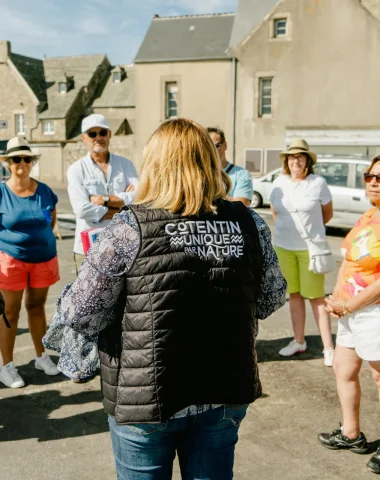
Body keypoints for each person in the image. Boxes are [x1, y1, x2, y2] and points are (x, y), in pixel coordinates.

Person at [44, 118, 287, 479]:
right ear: (209, 161)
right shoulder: (249, 222)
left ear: (155, 164)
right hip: (224, 383)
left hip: (147, 395)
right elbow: (270, 298)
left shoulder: (130, 227)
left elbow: (81, 313)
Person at [318, 155, 380, 475]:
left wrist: (351, 305)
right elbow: (349, 260)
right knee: (343, 368)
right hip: (350, 312)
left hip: (374, 311)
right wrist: (337, 296)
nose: (373, 182)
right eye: (370, 176)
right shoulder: (368, 215)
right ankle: (351, 434)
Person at [0, 136, 60, 389]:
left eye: (26, 158)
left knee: (37, 308)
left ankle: (40, 356)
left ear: (32, 162)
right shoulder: (1, 192)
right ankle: (7, 366)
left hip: (43, 259)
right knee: (9, 312)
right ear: (8, 163)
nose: (21, 163)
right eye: (16, 159)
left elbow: (52, 221)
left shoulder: (45, 190)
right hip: (10, 260)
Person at [269, 139, 335, 366]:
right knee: (294, 295)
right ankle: (299, 341)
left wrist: (310, 233)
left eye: (300, 156)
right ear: (286, 160)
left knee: (316, 298)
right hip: (284, 248)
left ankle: (328, 347)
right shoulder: (279, 183)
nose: (295, 160)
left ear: (308, 160)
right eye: (291, 156)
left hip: (310, 249)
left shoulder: (317, 183)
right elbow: (276, 213)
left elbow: (327, 213)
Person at [67, 113, 138, 273]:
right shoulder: (76, 170)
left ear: (109, 134)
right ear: (84, 138)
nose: (98, 137)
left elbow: (139, 198)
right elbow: (81, 209)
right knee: (88, 297)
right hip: (88, 248)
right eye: (93, 134)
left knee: (123, 296)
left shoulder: (125, 164)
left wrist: (104, 200)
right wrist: (121, 208)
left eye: (102, 132)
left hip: (123, 245)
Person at [207, 127, 253, 206]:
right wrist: (230, 199)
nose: (212, 150)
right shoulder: (200, 173)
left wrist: (207, 199)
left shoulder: (241, 174)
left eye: (216, 146)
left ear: (225, 145)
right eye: (208, 146)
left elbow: (241, 205)